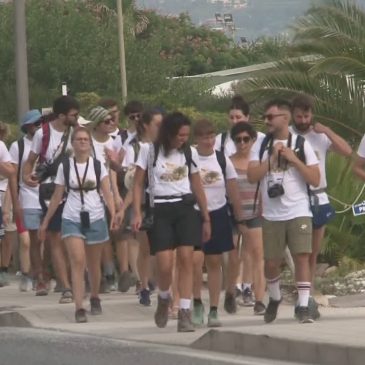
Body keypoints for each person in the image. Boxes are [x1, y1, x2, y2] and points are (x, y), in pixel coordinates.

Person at [132, 112, 211, 332]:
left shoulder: (189, 152)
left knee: (187, 259)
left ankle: (184, 311)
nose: (183, 139)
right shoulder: (149, 151)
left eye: (186, 135)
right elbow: (138, 184)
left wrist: (206, 217)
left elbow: (197, 185)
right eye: (179, 135)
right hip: (160, 209)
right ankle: (164, 296)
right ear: (168, 133)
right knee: (165, 263)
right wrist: (137, 212)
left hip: (185, 208)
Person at [247, 99, 320, 324]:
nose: (266, 121)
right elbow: (251, 177)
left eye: (271, 117)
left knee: (302, 257)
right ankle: (276, 298)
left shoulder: (301, 143)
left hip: (299, 209)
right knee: (271, 262)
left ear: (285, 118)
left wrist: (294, 160)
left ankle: (303, 305)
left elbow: (315, 179)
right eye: (266, 117)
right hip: (271, 213)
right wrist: (270, 160)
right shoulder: (259, 145)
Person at [39, 127, 119, 323]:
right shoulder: (65, 167)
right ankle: (79, 306)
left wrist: (114, 214)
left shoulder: (98, 166)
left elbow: (107, 193)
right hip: (72, 217)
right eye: (79, 139)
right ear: (73, 144)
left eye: (85, 139)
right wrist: (46, 221)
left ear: (90, 144)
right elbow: (58, 195)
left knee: (93, 264)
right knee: (77, 260)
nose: (82, 142)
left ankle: (94, 297)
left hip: (95, 216)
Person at [290, 95, 352, 317]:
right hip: (296, 198)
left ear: (312, 114)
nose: (304, 120)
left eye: (307, 115)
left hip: (318, 197)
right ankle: (302, 298)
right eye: (299, 116)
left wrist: (327, 131)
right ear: (293, 115)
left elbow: (347, 152)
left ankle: (308, 297)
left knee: (313, 252)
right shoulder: (288, 136)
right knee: (301, 252)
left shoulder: (319, 136)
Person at [23, 95, 80, 303]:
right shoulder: (43, 134)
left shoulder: (78, 132)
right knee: (55, 237)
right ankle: (65, 285)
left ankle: (69, 279)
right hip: (50, 189)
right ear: (62, 115)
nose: (77, 118)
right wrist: (26, 177)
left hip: (75, 189)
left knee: (72, 237)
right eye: (74, 115)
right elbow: (30, 161)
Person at [191, 119, 245, 328]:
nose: (209, 140)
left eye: (212, 136)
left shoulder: (222, 159)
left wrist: (240, 218)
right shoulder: (190, 157)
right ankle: (196, 303)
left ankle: (214, 308)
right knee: (195, 261)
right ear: (197, 138)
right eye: (204, 137)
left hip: (219, 212)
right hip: (194, 215)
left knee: (214, 262)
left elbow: (232, 189)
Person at [117, 109, 163, 305]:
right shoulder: (135, 147)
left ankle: (160, 286)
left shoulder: (169, 147)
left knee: (160, 249)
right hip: (144, 203)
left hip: (163, 202)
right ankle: (143, 285)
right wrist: (127, 209)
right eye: (157, 124)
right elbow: (134, 182)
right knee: (145, 247)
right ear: (146, 125)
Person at [230, 122, 266, 316]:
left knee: (257, 256)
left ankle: (258, 299)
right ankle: (231, 290)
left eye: (246, 139)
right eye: (238, 139)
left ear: (253, 140)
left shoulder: (259, 162)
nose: (242, 143)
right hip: (233, 214)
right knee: (233, 257)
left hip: (254, 213)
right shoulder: (227, 162)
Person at [8, 110, 44, 293]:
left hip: (45, 197)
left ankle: (40, 275)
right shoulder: (18, 146)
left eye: (40, 123)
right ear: (28, 127)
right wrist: (15, 202)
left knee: (41, 240)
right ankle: (29, 273)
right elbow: (12, 176)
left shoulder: (47, 142)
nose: (39, 126)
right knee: (27, 240)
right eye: (35, 124)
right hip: (27, 197)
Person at [88, 106, 119, 292]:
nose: (110, 124)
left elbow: (115, 170)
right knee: (96, 238)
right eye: (106, 121)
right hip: (90, 194)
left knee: (109, 235)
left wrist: (115, 195)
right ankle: (100, 275)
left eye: (111, 120)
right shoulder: (87, 141)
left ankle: (110, 273)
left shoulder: (114, 142)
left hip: (108, 192)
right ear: (97, 123)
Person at [0, 123, 15, 288]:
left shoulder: (1, 146)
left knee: (6, 235)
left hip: (3, 193)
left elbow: (10, 172)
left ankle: (3, 269)